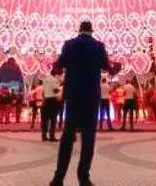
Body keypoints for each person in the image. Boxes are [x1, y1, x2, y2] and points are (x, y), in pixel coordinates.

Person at [48, 21, 119, 186]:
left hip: (73, 95)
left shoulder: (69, 44)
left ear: (79, 30)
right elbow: (108, 68)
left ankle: (58, 178)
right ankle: (84, 177)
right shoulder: (98, 46)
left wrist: (57, 69)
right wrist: (116, 68)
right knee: (88, 137)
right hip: (91, 96)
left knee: (67, 136)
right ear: (91, 31)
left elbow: (57, 67)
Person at [41, 73, 60, 141]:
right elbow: (55, 90)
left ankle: (44, 136)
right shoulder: (54, 80)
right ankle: (52, 136)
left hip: (46, 100)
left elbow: (43, 91)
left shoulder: (45, 79)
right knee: (53, 119)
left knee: (45, 119)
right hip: (52, 100)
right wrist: (60, 89)